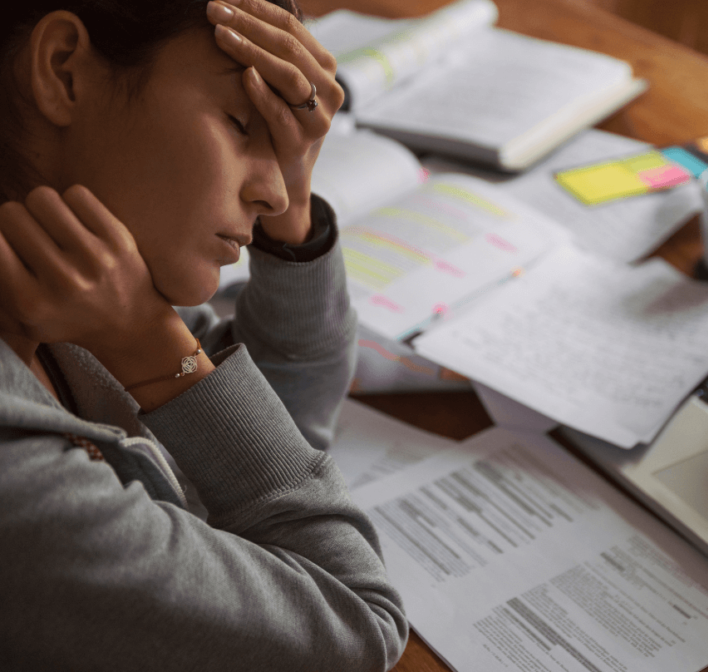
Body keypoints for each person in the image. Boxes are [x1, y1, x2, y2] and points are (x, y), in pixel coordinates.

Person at [0, 0, 408, 669]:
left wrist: (296, 205)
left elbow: (259, 446)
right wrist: (148, 342)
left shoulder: (74, 277)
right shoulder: (18, 481)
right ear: (65, 71)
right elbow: (356, 620)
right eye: (242, 122)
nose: (275, 194)